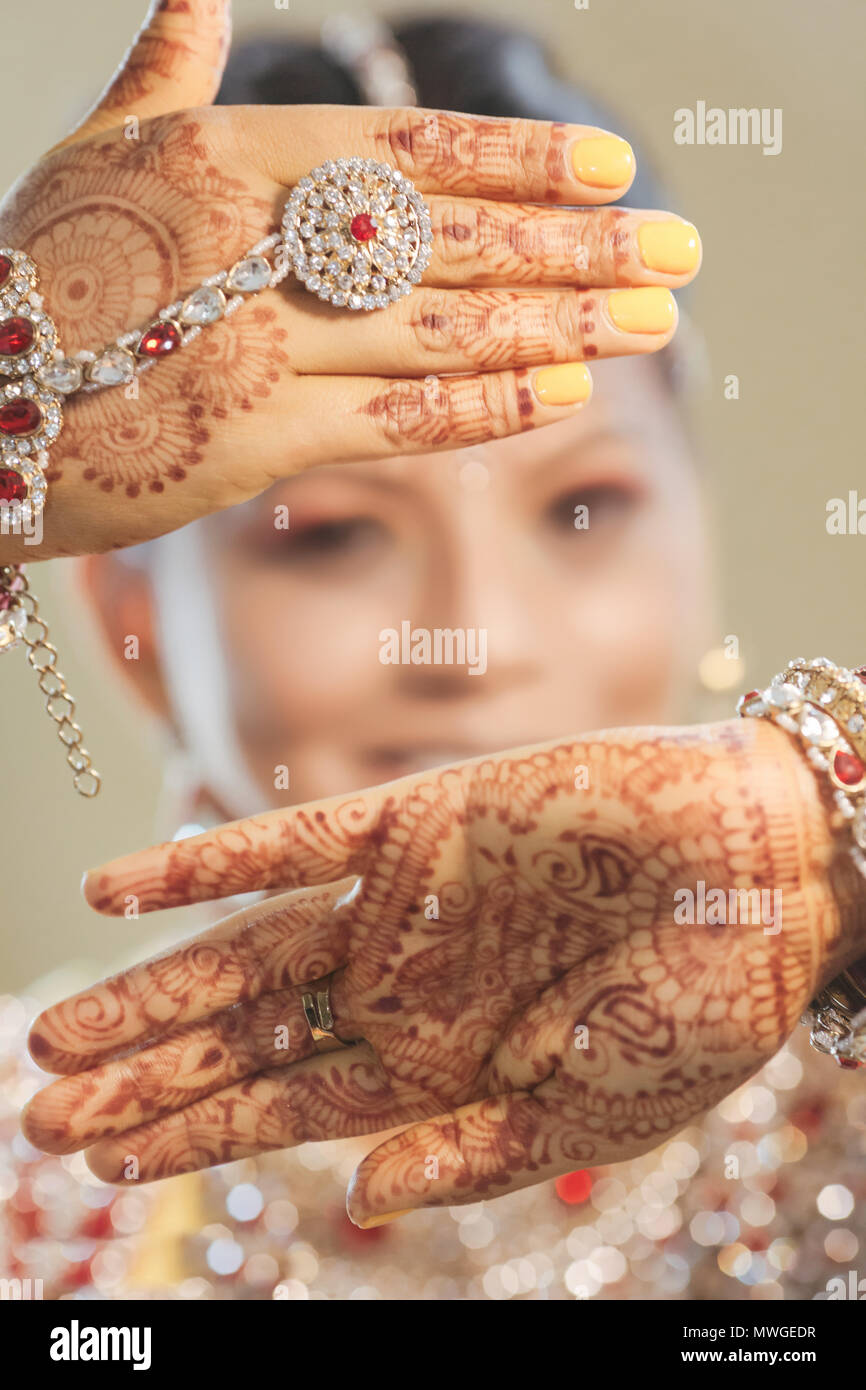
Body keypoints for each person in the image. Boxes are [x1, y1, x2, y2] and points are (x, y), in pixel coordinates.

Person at [7, 5, 866, 1299]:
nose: (483, 637)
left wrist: (831, 829)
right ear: (131, 621)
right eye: (335, 534)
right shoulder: (36, 1176)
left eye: (581, 510)